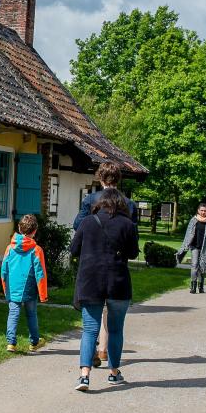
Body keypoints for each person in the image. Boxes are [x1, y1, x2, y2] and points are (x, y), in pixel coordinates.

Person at [69, 188, 139, 391]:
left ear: (98, 204)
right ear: (121, 204)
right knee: (116, 330)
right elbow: (133, 253)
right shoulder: (127, 224)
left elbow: (74, 249)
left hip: (90, 281)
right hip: (118, 281)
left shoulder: (87, 222)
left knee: (90, 330)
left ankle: (84, 376)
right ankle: (114, 372)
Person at [71, 163, 131, 368]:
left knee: (91, 320)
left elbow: (77, 225)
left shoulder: (90, 199)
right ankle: (105, 350)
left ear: (100, 178)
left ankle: (91, 358)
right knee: (112, 316)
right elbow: (131, 233)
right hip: (117, 265)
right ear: (118, 178)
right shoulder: (127, 203)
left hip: (92, 263)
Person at [0, 214, 48, 353]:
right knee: (31, 314)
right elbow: (41, 274)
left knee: (13, 313)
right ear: (35, 231)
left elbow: (4, 270)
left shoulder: (10, 248)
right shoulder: (36, 250)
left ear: (19, 228)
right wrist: (43, 295)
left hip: (13, 286)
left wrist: (5, 288)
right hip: (30, 288)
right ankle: (34, 342)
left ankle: (11, 343)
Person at [176, 203, 206, 294]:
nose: (203, 212)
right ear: (198, 211)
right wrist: (186, 245)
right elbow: (188, 234)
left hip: (205, 247)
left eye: (205, 210)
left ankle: (201, 286)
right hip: (195, 246)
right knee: (194, 265)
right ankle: (193, 286)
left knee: (202, 266)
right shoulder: (193, 220)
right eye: (201, 210)